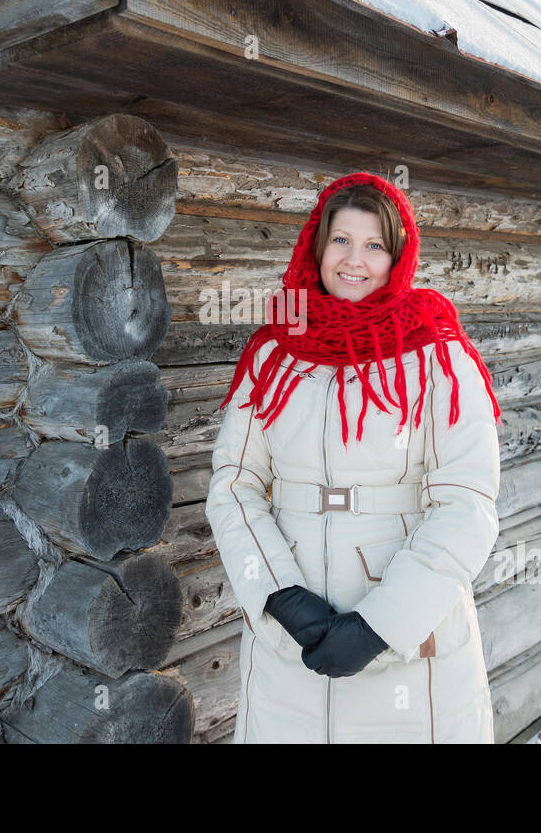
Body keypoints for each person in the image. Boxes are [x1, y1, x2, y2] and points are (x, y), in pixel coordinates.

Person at [204, 171, 504, 744]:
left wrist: (379, 626)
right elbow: (235, 485)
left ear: (397, 258)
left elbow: (467, 506)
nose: (354, 260)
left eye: (374, 245)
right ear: (317, 248)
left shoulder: (440, 357)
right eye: (341, 240)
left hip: (409, 645)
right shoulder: (273, 353)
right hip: (289, 640)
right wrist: (279, 594)